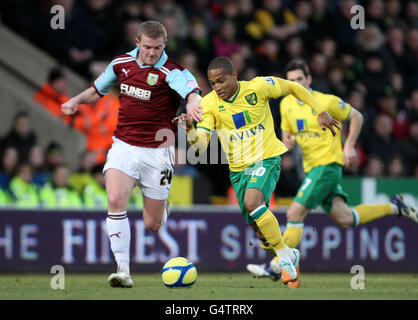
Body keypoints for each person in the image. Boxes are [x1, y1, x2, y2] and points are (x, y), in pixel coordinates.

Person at [173, 56, 341, 288]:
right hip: (238, 171)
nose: (217, 87)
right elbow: (200, 145)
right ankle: (289, 253)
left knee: (254, 201)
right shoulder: (209, 104)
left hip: (267, 158)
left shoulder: (258, 87)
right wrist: (190, 130)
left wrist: (319, 111)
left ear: (234, 75)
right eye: (212, 84)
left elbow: (292, 86)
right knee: (259, 231)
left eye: (221, 81)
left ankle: (283, 259)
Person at [245, 60, 418, 281]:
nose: (295, 83)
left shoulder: (325, 101)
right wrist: (286, 140)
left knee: (294, 213)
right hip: (312, 170)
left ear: (308, 79)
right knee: (345, 218)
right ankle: (395, 206)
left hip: (327, 166)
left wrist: (349, 145)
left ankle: (277, 266)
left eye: (299, 79)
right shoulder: (286, 104)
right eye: (291, 80)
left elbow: (357, 116)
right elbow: (287, 134)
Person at [62, 20, 202, 288]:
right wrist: (76, 100)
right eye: (147, 47)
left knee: (153, 224)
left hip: (158, 153)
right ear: (137, 43)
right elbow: (97, 90)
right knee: (114, 199)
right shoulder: (120, 64)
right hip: (124, 146)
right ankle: (123, 271)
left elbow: (192, 93)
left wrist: (195, 105)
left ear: (165, 45)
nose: (152, 53)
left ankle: (162, 207)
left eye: (158, 48)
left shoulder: (172, 71)